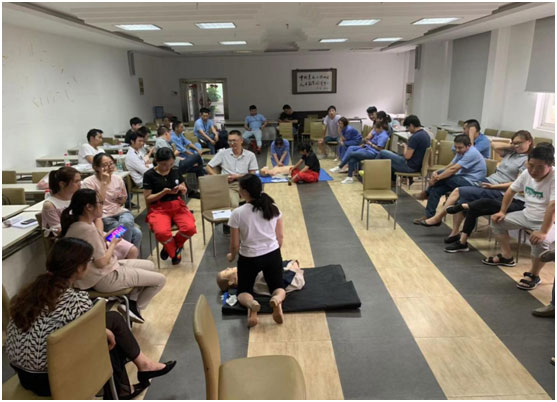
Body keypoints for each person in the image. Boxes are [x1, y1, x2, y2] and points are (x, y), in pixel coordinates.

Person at [6, 238, 175, 398]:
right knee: (108, 341)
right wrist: (103, 332)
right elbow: (92, 338)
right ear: (80, 268)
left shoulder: (27, 294)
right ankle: (123, 388)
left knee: (111, 321)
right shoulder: (76, 301)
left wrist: (102, 330)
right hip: (53, 381)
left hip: (24, 375)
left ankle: (136, 373)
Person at [61, 189, 166, 323]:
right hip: (102, 277)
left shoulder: (80, 225)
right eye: (100, 203)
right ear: (89, 207)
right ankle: (135, 308)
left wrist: (106, 237)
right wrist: (113, 244)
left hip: (104, 270)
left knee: (149, 265)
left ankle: (131, 303)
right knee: (160, 280)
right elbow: (101, 262)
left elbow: (93, 250)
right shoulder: (87, 229)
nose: (103, 206)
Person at [422, 130, 533, 233]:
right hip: (487, 181)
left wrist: (494, 187)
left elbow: (517, 184)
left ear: (529, 142)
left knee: (456, 189)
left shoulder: (527, 161)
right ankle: (454, 233)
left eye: (519, 143)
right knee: (455, 195)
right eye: (514, 143)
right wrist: (512, 146)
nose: (516, 145)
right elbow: (494, 145)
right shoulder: (511, 153)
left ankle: (437, 217)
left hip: (498, 189)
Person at [482, 144, 555, 290]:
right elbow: (511, 190)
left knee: (540, 241)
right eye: (531, 165)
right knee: (497, 222)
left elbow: (553, 206)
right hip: (527, 214)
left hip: (549, 221)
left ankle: (534, 275)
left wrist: (542, 231)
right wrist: (502, 211)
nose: (533, 171)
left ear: (550, 165)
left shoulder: (555, 178)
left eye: (539, 167)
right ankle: (507, 257)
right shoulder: (527, 173)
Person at [40, 166, 138, 260]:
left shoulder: (79, 196)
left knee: (132, 248)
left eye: (80, 180)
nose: (80, 184)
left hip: (96, 234)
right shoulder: (50, 205)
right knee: (114, 252)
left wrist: (100, 234)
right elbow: (61, 232)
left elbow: (97, 218)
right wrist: (98, 237)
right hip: (79, 241)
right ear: (62, 184)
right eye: (76, 181)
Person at [227, 174, 285, 327]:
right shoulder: (273, 208)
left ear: (245, 192)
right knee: (278, 287)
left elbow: (235, 245)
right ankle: (277, 300)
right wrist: (274, 251)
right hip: (272, 254)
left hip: (249, 258)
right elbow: (280, 237)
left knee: (243, 291)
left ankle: (252, 304)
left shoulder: (237, 213)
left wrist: (231, 256)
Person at [413, 134, 486, 221]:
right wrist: (437, 172)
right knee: (436, 190)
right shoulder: (461, 152)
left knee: (445, 178)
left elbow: (453, 169)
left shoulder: (472, 153)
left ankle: (426, 193)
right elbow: (450, 165)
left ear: (468, 146)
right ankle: (429, 216)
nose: (457, 150)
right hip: (461, 178)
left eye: (460, 148)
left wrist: (436, 179)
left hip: (472, 183)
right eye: (456, 147)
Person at [144, 147, 197, 265]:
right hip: (159, 208)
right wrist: (163, 192)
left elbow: (184, 189)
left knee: (190, 228)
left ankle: (170, 246)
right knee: (162, 232)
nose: (167, 167)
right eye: (164, 164)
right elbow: (148, 198)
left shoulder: (175, 171)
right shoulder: (149, 175)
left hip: (178, 206)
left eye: (171, 164)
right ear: (157, 161)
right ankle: (174, 252)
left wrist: (182, 189)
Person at [82, 153, 142, 249]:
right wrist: (104, 183)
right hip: (103, 216)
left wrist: (122, 200)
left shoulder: (118, 179)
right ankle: (125, 252)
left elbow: (124, 199)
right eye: (104, 165)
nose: (109, 167)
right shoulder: (88, 182)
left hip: (120, 211)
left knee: (126, 222)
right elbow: (98, 203)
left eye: (111, 163)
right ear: (96, 167)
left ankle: (120, 251)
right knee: (136, 233)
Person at [207, 130, 258, 209]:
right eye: (229, 141)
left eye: (234, 140)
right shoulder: (223, 153)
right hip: (230, 185)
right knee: (234, 205)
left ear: (241, 141)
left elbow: (252, 174)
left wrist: (237, 176)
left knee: (258, 202)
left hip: (246, 183)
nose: (232, 143)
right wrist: (219, 177)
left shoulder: (250, 155)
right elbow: (208, 167)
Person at [379, 114, 431, 180]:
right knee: (392, 158)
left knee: (382, 153)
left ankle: (372, 172)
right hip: (418, 166)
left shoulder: (415, 137)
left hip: (410, 166)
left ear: (411, 125)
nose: (408, 130)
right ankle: (391, 180)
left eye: (407, 127)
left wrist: (405, 146)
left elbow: (407, 156)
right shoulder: (426, 135)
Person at [217, 259, 304, 295]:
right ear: (231, 282)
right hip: (290, 280)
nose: (228, 268)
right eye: (226, 271)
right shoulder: (247, 281)